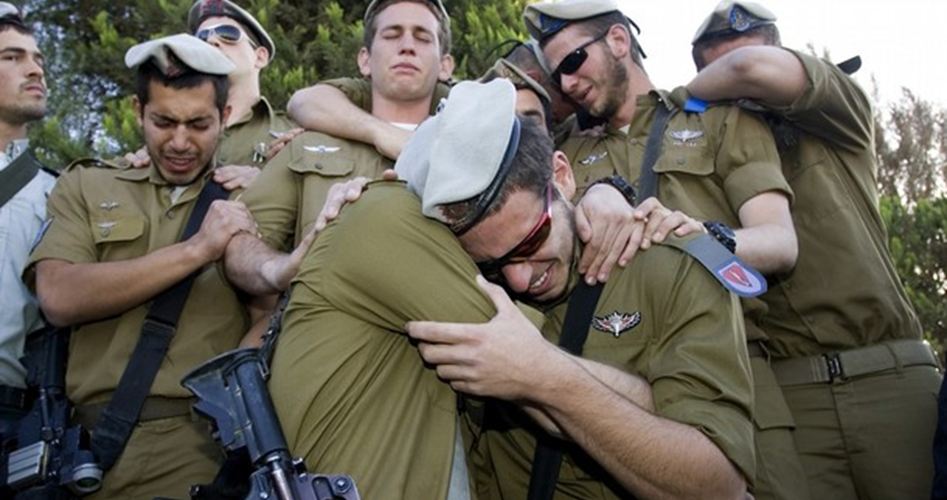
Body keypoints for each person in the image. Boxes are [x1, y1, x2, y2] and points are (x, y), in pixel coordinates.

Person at [269, 79, 754, 499]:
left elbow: (719, 486)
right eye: (494, 265)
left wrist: (544, 376)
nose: (520, 279)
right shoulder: (453, 278)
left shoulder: (669, 266)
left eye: (531, 241)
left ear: (562, 177)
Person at [523, 2, 807, 496]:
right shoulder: (562, 154)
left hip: (727, 370)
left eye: (574, 61)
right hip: (605, 382)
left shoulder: (717, 120)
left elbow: (780, 243)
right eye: (556, 75)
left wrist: (699, 238)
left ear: (618, 41)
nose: (567, 83)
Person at [688, 2, 942, 499]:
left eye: (737, 64)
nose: (739, 87)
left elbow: (749, 68)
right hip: (793, 394)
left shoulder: (836, 115)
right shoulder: (710, 156)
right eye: (719, 73)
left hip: (889, 375)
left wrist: (680, 99)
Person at [25, 34, 259, 498]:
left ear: (226, 115)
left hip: (201, 447)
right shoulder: (87, 184)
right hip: (85, 453)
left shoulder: (251, 193)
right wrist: (198, 249)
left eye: (198, 124)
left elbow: (270, 312)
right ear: (137, 111)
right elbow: (59, 296)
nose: (180, 142)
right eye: (163, 122)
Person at [222, 0, 455, 296]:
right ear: (364, 60)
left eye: (423, 37)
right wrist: (279, 269)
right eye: (392, 35)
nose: (407, 46)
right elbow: (240, 242)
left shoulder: (470, 153)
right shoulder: (307, 145)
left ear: (445, 66)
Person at [0, 3, 55, 439]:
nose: (35, 70)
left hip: (16, 420)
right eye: (12, 57)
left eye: (37, 58)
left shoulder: (60, 193)